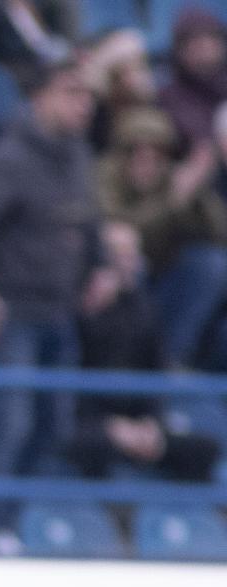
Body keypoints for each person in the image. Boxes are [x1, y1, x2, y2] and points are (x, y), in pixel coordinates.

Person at [0, 56, 114, 549]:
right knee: (11, 421)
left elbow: (88, 221)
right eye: (71, 92)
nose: (82, 104)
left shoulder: (79, 155)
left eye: (87, 95)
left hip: (59, 311)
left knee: (52, 424)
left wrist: (101, 265)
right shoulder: (10, 158)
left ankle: (13, 520)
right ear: (40, 97)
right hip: (13, 313)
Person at [67, 221, 220, 482]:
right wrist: (111, 427)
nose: (127, 262)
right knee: (90, 445)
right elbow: (68, 381)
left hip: (137, 422)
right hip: (89, 424)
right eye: (117, 254)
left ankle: (184, 516)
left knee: (205, 449)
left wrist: (150, 424)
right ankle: (112, 515)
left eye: (132, 253)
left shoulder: (145, 309)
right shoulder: (72, 309)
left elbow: (156, 372)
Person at [96, 106, 227, 366]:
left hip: (166, 285)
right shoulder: (104, 176)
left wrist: (198, 194)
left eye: (156, 152)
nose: (146, 160)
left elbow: (219, 234)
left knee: (211, 263)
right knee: (130, 266)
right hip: (117, 288)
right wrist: (174, 200)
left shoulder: (174, 177)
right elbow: (124, 233)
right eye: (136, 151)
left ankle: (172, 360)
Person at [161, 6, 227, 152]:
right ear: (179, 49)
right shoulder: (168, 97)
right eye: (194, 40)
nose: (204, 46)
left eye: (210, 37)